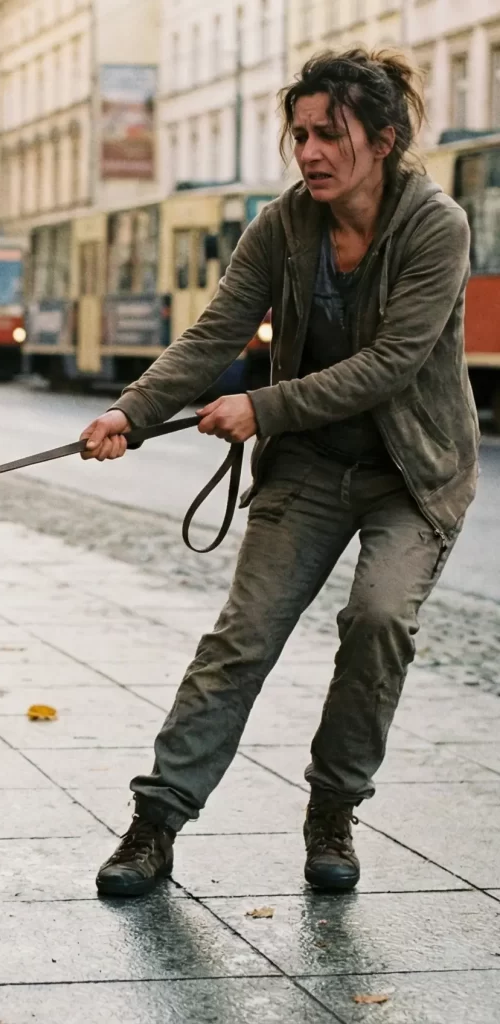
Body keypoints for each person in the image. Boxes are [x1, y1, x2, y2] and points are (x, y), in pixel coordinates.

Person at [83, 49, 478, 897]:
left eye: (329, 134)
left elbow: (393, 363)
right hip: (309, 469)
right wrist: (132, 412)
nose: (310, 152)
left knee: (377, 621)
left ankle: (333, 809)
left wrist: (266, 407)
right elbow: (216, 332)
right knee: (242, 638)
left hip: (413, 473)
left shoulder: (435, 224)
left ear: (384, 137)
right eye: (299, 135)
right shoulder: (284, 224)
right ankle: (155, 825)